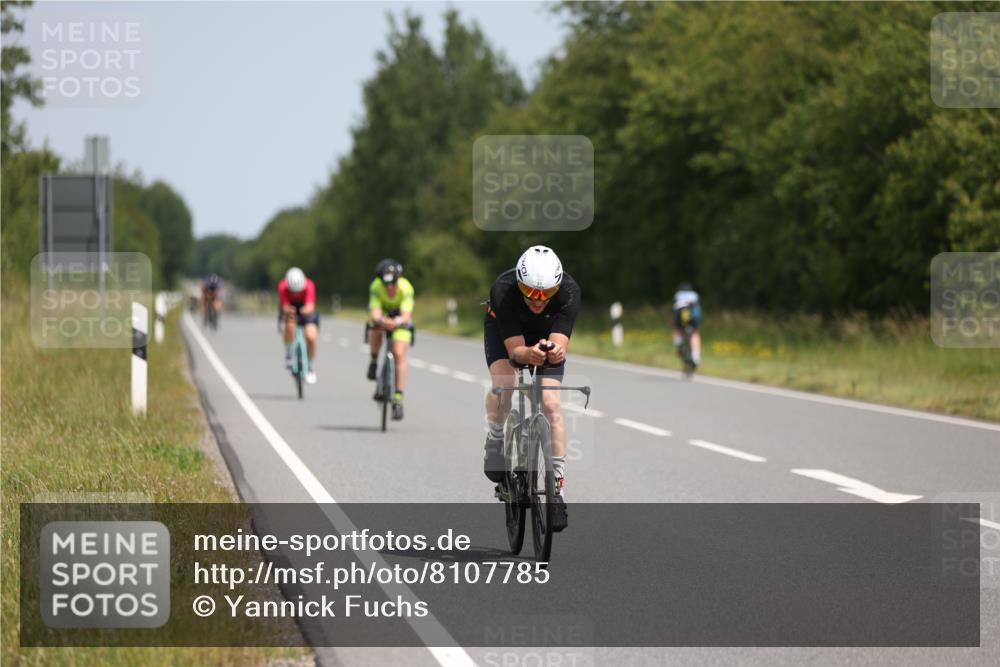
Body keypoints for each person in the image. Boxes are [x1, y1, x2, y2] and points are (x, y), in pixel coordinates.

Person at [482, 245, 580, 532]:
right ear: (520, 284)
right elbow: (515, 352)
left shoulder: (569, 292)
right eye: (531, 292)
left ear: (557, 287)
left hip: (545, 333)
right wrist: (529, 354)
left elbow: (560, 342)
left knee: (551, 404)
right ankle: (496, 436)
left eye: (546, 294)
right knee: (505, 384)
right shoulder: (504, 290)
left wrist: (555, 352)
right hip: (506, 331)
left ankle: (557, 490)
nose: (538, 300)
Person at [366, 259, 415, 420]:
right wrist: (382, 321)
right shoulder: (375, 286)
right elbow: (375, 312)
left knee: (399, 354)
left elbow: (406, 316)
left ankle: (398, 399)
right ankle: (373, 361)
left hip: (400, 321)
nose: (389, 288)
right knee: (374, 327)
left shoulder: (406, 288)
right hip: (383, 318)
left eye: (392, 284)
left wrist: (397, 322)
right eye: (386, 284)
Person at [278, 267, 318, 384]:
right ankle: (289, 353)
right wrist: (289, 311)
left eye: (298, 291)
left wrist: (304, 310)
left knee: (311, 337)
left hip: (306, 309)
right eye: (293, 291)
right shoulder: (283, 286)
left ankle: (310, 366)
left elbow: (310, 306)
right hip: (290, 309)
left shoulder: (309, 285)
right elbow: (284, 306)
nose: (296, 293)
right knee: (289, 325)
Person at [672, 282, 701, 368]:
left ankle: (679, 345)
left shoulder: (677, 295)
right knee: (695, 334)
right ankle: (696, 358)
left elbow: (674, 308)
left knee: (677, 330)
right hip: (693, 318)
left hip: (680, 317)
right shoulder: (694, 295)